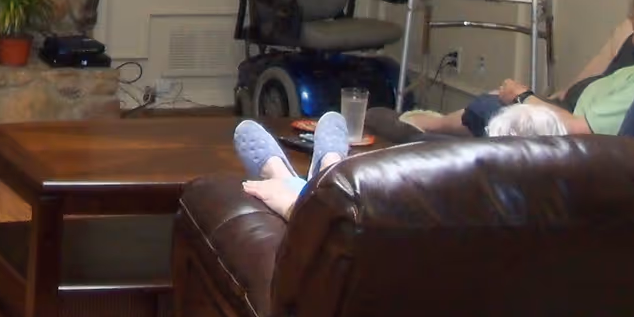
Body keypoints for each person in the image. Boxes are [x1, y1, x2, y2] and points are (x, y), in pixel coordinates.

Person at [402, 0, 634, 138]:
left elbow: (579, 129)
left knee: (492, 107)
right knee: (498, 99)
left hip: (564, 136)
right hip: (564, 111)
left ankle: (430, 127)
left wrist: (526, 97)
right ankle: (431, 125)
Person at [235, 101, 572, 225]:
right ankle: (328, 170)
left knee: (326, 209)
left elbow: (341, 234)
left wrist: (292, 209)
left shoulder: (458, 217)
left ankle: (312, 176)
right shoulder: (585, 224)